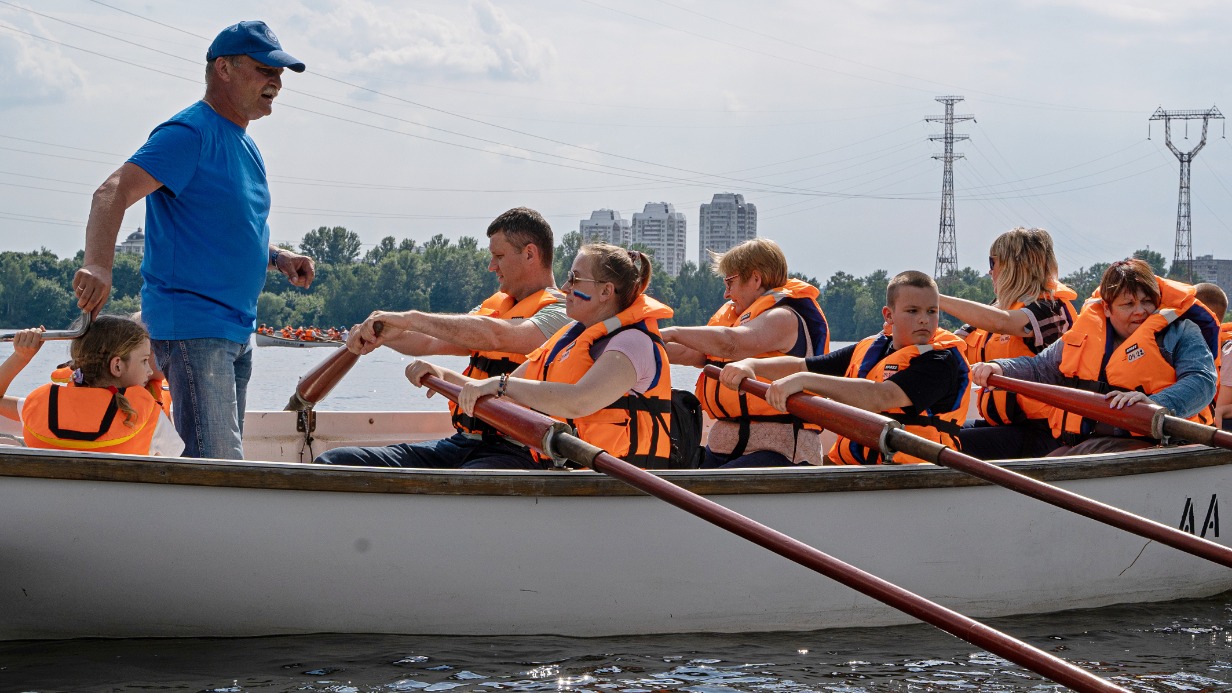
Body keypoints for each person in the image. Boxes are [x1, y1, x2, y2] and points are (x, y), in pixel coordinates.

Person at [70, 21, 316, 460]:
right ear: (223, 68)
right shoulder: (188, 133)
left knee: (218, 460)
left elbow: (228, 227)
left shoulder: (244, 143)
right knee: (217, 463)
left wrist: (277, 257)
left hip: (236, 330)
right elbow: (111, 192)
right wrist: (99, 265)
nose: (276, 82)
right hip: (194, 328)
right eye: (264, 70)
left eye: (279, 74)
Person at [316, 208, 571, 468]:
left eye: (499, 256)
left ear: (529, 253)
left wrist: (411, 318)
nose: (491, 266)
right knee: (335, 462)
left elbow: (498, 336)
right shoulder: (494, 308)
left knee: (461, 485)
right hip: (464, 443)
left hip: (520, 453)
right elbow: (430, 340)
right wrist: (385, 333)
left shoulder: (563, 312)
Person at [971, 259, 1218, 455]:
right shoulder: (1086, 333)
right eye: (1128, 304)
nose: (1140, 311)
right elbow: (1039, 369)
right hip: (1092, 441)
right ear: (1107, 309)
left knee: (1060, 465)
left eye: (1146, 301)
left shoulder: (1181, 332)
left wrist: (1154, 403)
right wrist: (998, 367)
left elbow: (1202, 381)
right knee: (1050, 463)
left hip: (1161, 443)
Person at [721, 271, 970, 465]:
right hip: (863, 465)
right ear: (889, 315)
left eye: (932, 311)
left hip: (914, 472)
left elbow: (879, 396)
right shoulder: (872, 347)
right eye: (912, 311)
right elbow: (802, 364)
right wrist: (751, 364)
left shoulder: (941, 361)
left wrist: (803, 381)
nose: (924, 319)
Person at [660, 238, 829, 468]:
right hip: (726, 448)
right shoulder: (736, 320)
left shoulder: (784, 318)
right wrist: (645, 341)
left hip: (779, 452)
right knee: (675, 479)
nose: (726, 294)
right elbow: (690, 353)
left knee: (701, 489)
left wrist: (673, 332)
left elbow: (733, 344)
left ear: (755, 279)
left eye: (730, 282)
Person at [939, 227, 1077, 459]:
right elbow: (951, 346)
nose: (989, 271)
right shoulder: (992, 313)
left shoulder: (1050, 310)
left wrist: (934, 298)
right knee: (928, 432)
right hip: (1007, 427)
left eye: (992, 263)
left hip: (1044, 433)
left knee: (944, 443)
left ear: (1015, 266)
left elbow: (1004, 323)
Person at [0, 316, 184, 456]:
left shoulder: (42, 405)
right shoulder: (147, 413)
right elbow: (177, 465)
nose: (150, 371)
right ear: (117, 365)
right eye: (144, 361)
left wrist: (21, 356)